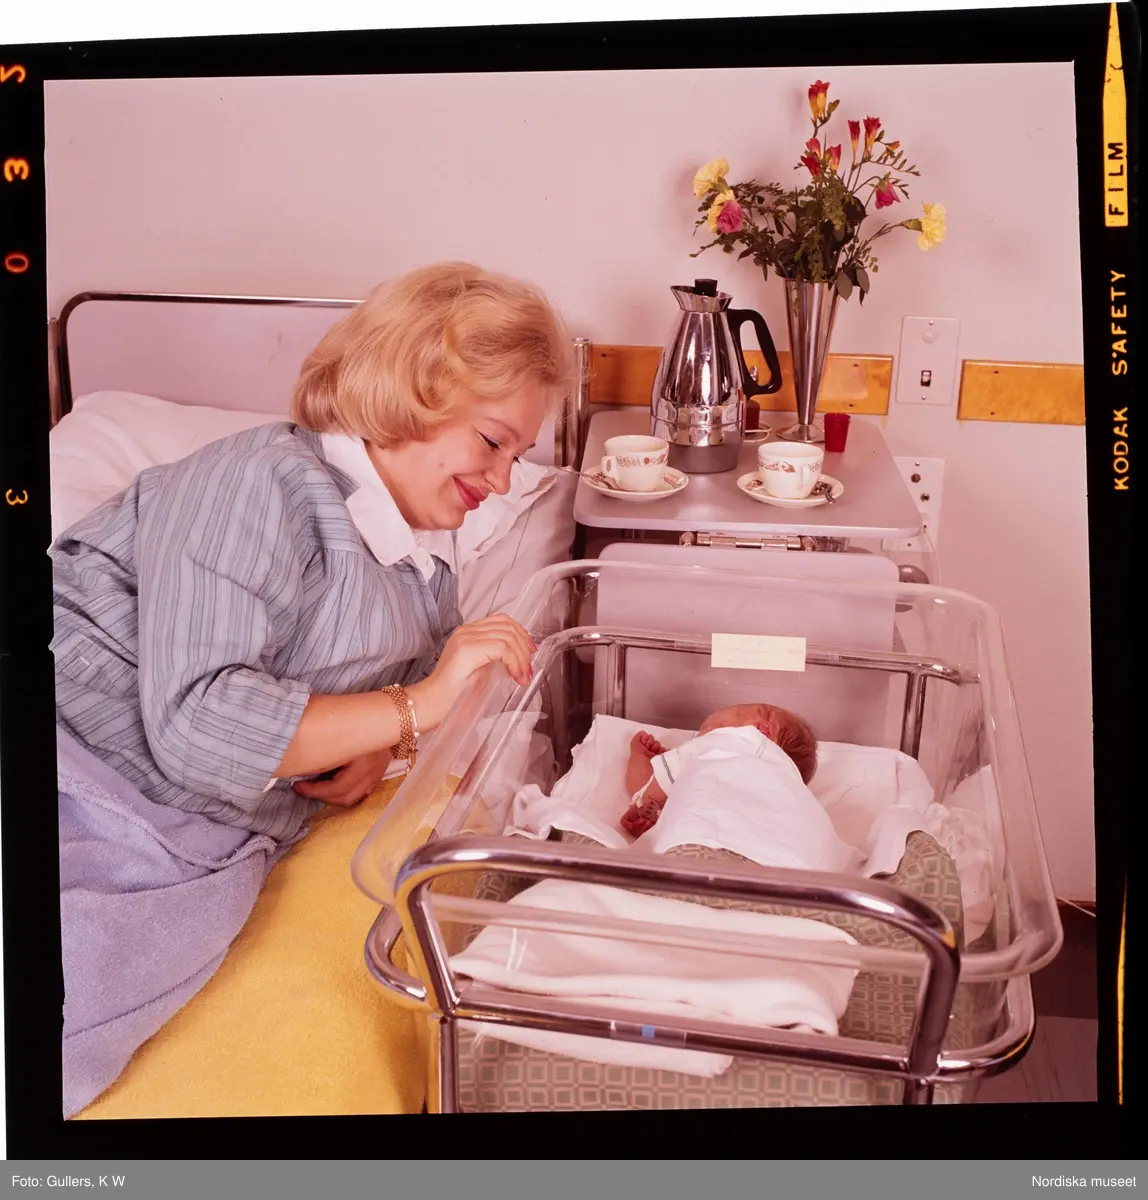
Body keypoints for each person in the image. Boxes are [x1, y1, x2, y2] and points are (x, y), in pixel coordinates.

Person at [53, 262, 575, 1116]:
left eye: (518, 456)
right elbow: (195, 724)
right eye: (492, 441)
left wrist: (386, 738)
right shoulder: (257, 481)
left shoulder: (420, 574)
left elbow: (380, 707)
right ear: (413, 391)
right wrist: (416, 707)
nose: (504, 481)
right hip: (78, 754)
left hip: (203, 839)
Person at [620, 703, 819, 837]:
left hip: (702, 837)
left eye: (735, 711)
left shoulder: (733, 740)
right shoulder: (789, 785)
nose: (702, 736)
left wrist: (644, 803)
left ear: (762, 730)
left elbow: (649, 789)